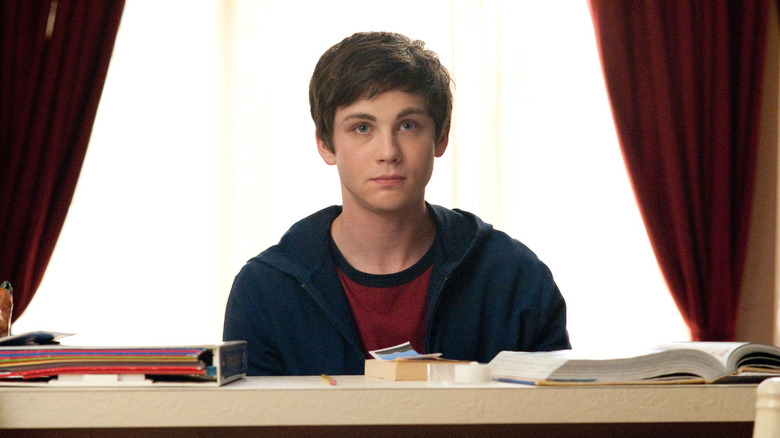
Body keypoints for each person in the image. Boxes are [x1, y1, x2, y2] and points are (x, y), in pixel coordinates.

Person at [223, 31, 570, 376]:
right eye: (362, 128)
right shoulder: (263, 292)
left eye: (408, 125)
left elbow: (557, 422)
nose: (388, 152)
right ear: (326, 145)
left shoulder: (516, 278)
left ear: (441, 137)